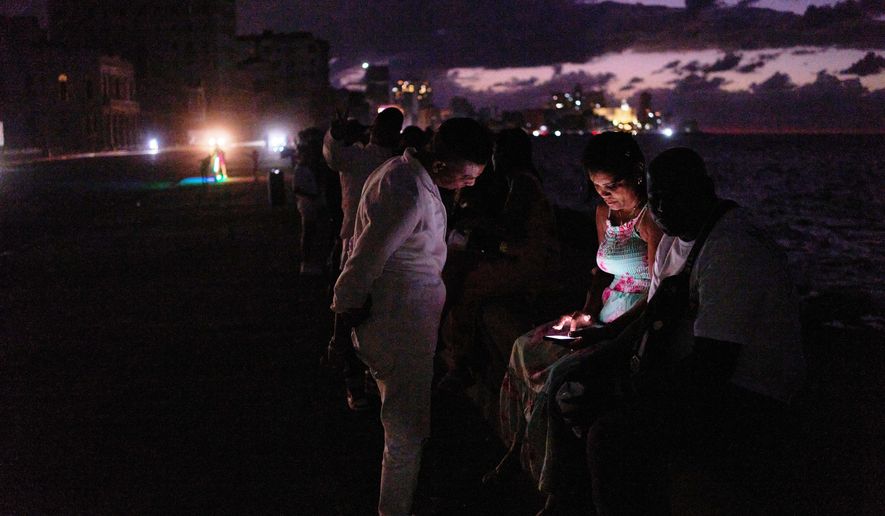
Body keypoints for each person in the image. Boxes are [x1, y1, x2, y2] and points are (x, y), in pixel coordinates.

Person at [568, 147, 806, 515]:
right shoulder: (676, 242)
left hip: (749, 395)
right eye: (656, 196)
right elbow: (652, 316)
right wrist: (606, 350)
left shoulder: (731, 249)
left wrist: (636, 387)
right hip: (704, 379)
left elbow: (713, 366)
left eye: (673, 194)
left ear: (705, 188)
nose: (661, 207)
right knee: (582, 394)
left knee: (610, 436)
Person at [331, 118, 493, 516]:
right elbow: (364, 259)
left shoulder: (404, 175)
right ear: (442, 163)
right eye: (467, 176)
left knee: (407, 427)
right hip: (397, 328)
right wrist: (341, 324)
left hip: (403, 325)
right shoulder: (405, 189)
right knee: (405, 433)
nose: (470, 184)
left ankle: (403, 500)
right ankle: (395, 508)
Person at [492, 132, 661, 504]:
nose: (604, 194)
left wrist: (610, 333)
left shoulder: (651, 221)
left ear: (635, 174)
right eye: (597, 186)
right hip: (603, 313)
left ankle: (557, 486)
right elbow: (601, 272)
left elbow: (656, 293)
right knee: (524, 348)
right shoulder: (605, 213)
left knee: (558, 380)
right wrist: (585, 309)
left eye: (612, 185)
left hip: (628, 324)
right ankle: (518, 449)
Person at [438, 128, 560, 391]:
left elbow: (511, 229)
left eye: (495, 152)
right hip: (528, 260)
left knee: (467, 285)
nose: (493, 159)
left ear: (506, 154)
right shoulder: (523, 180)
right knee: (459, 265)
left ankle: (459, 362)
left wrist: (476, 222)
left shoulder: (522, 183)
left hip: (527, 266)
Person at [324, 107, 403, 410]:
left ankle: (364, 379)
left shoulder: (396, 161)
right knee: (353, 311)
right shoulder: (359, 156)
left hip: (382, 246)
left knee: (370, 314)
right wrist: (335, 135)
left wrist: (335, 137)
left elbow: (332, 155)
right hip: (357, 244)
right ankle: (355, 379)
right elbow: (333, 156)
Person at [291, 128, 334, 276]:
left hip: (315, 202)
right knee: (310, 233)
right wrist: (313, 195)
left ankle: (316, 261)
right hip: (309, 204)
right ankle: (307, 262)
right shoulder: (302, 169)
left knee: (317, 234)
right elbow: (297, 189)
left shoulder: (312, 168)